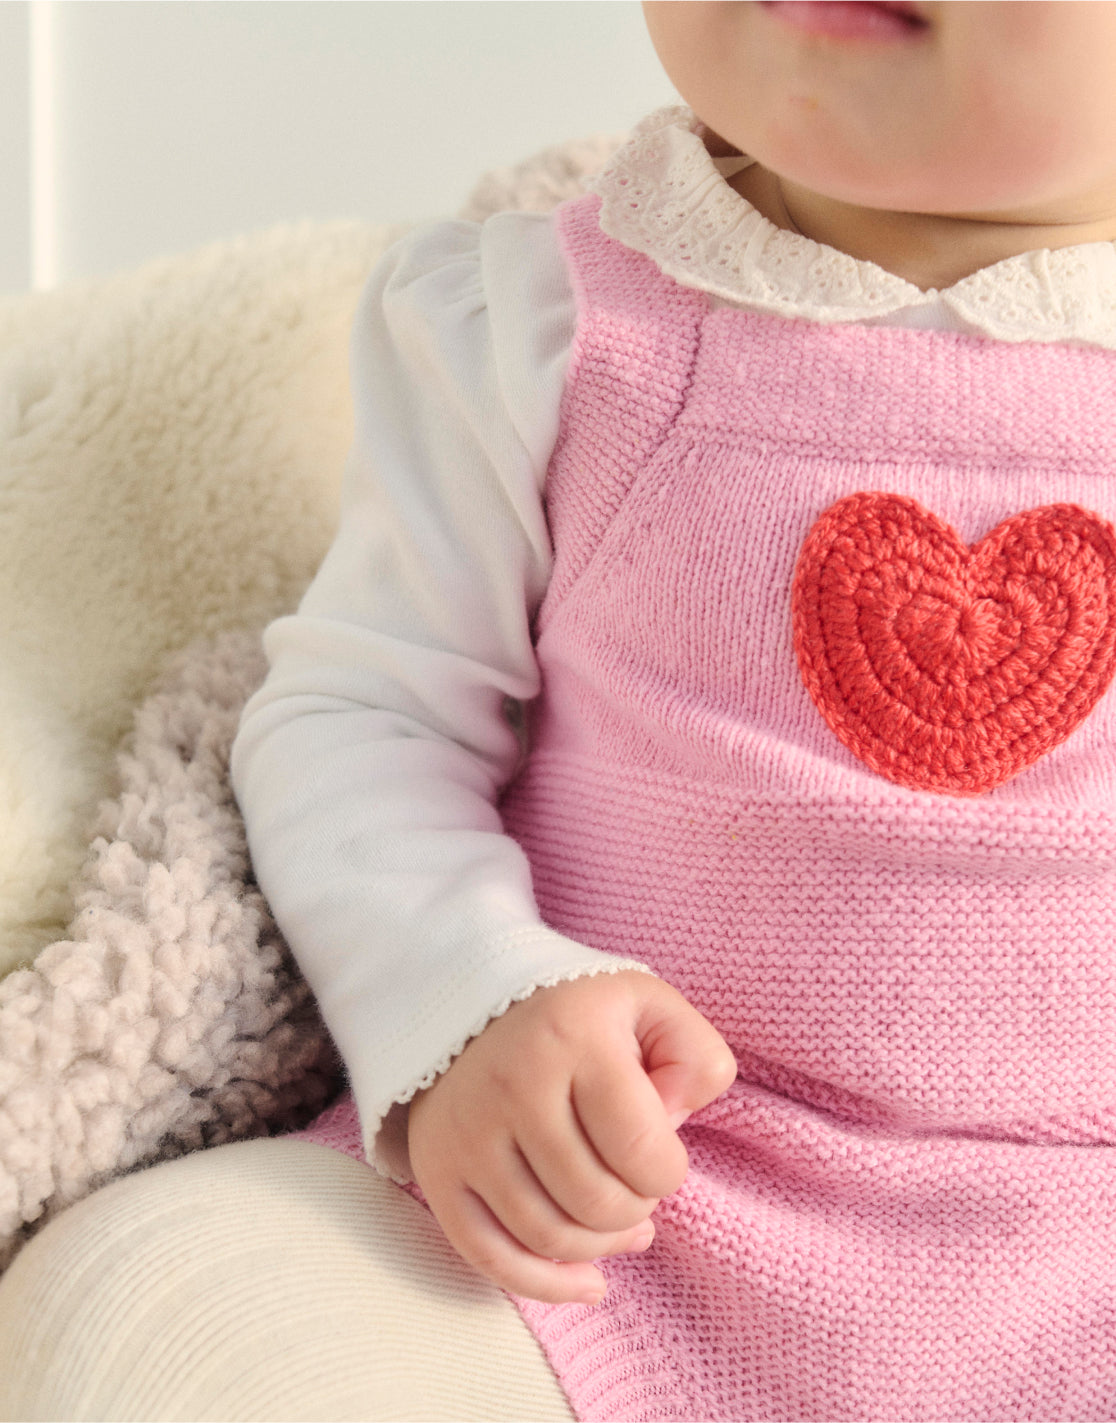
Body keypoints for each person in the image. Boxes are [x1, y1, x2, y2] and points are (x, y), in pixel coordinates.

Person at [5, 2, 1116, 1418]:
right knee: (149, 1307)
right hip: (593, 1216)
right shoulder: (543, 319)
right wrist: (466, 1002)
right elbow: (365, 715)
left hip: (1085, 1259)